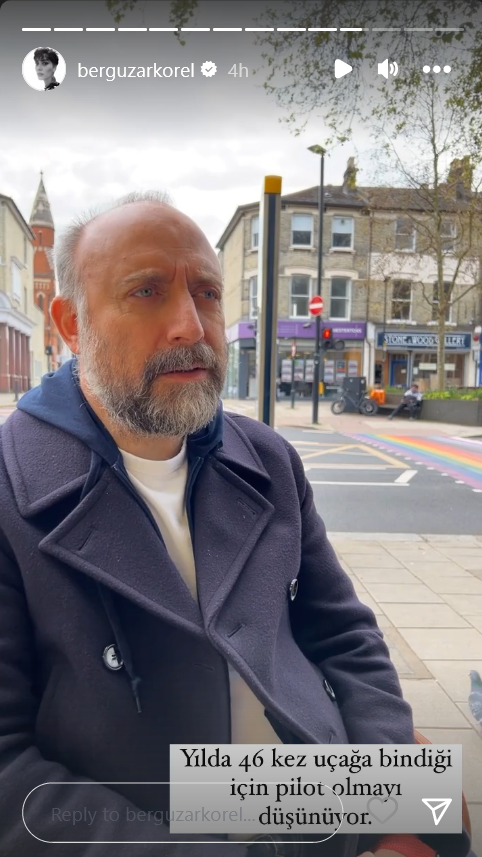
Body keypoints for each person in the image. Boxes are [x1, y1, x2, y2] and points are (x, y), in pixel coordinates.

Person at [0, 193, 470, 857]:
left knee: (447, 818)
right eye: (146, 291)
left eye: (208, 293)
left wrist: (393, 781)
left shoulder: (267, 457)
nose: (190, 326)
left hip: (312, 797)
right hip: (159, 822)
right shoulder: (10, 487)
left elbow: (343, 632)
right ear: (72, 324)